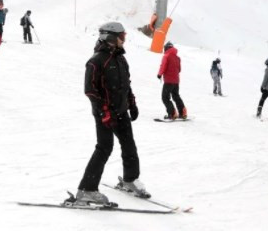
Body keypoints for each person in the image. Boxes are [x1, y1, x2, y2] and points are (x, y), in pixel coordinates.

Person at [76, 22, 148, 205]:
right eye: (121, 36)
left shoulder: (120, 59)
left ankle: (130, 179)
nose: (124, 40)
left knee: (129, 145)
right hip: (104, 114)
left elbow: (126, 85)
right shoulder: (96, 61)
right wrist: (104, 112)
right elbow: (90, 91)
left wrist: (131, 104)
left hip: (121, 111)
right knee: (104, 148)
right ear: (110, 37)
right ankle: (87, 189)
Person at [157, 41, 187, 120]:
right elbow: (179, 69)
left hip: (168, 81)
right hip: (176, 81)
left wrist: (159, 74)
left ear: (166, 48)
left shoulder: (166, 56)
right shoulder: (177, 58)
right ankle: (183, 112)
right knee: (176, 96)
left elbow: (163, 66)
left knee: (165, 97)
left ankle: (172, 113)